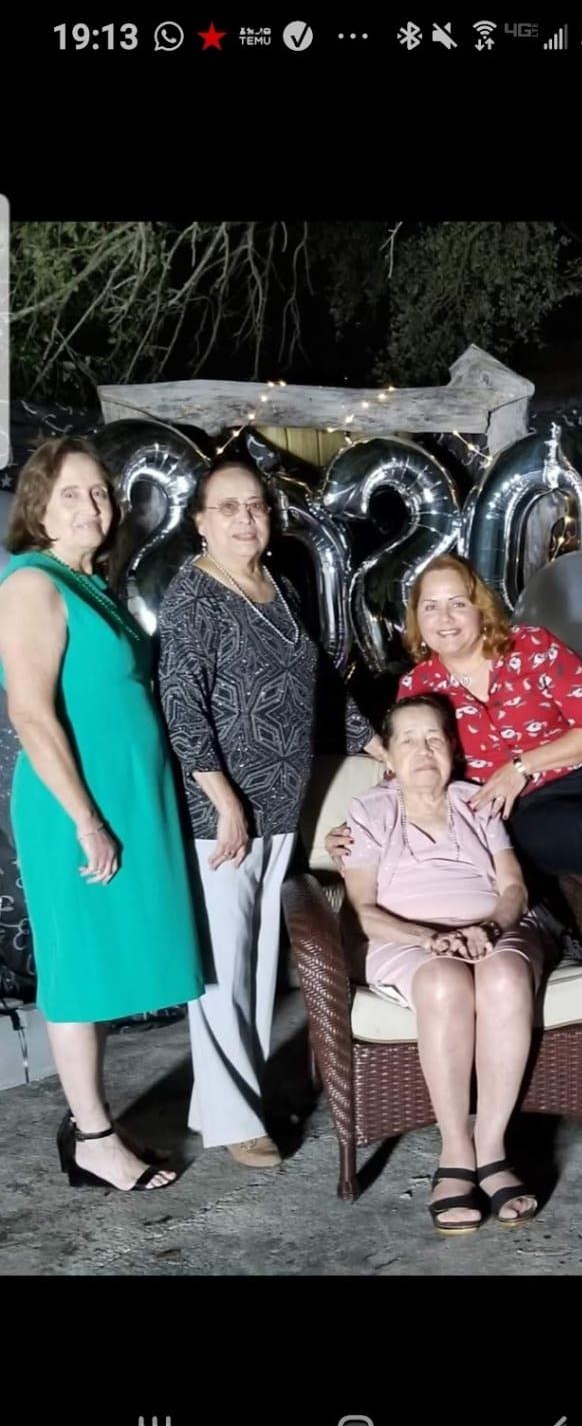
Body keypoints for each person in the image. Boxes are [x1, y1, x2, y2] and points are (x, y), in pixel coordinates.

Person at [329, 554, 582, 1157]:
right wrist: (355, 830)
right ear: (416, 620)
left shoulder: (532, 646)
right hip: (518, 818)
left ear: (479, 603)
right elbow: (414, 767)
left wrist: (521, 764)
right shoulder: (420, 686)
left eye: (457, 601)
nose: (445, 617)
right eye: (429, 607)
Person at [157, 457, 384, 1167]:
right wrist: (222, 799)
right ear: (200, 521)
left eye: (255, 505)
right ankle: (232, 1124)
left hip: (279, 802)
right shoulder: (192, 597)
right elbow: (181, 707)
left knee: (256, 964)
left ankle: (231, 1097)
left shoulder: (276, 585)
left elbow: (318, 681)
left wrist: (373, 741)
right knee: (224, 966)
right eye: (227, 508)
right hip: (220, 812)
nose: (245, 519)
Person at [0, 437, 205, 1191]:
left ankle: (93, 1123)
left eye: (99, 493)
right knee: (78, 972)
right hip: (72, 805)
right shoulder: (31, 585)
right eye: (71, 495)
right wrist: (86, 819)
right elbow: (30, 712)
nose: (92, 506)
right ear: (39, 511)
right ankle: (92, 1138)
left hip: (125, 795)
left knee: (101, 966)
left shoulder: (92, 584)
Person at [342, 693, 555, 1232]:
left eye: (434, 737)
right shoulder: (368, 812)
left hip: (494, 930)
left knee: (505, 976)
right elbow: (365, 912)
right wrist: (429, 938)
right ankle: (455, 1152)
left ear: (452, 750)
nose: (422, 750)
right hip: (404, 941)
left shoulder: (476, 802)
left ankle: (492, 1147)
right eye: (408, 740)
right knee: (444, 982)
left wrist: (491, 927)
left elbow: (513, 888)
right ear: (387, 755)